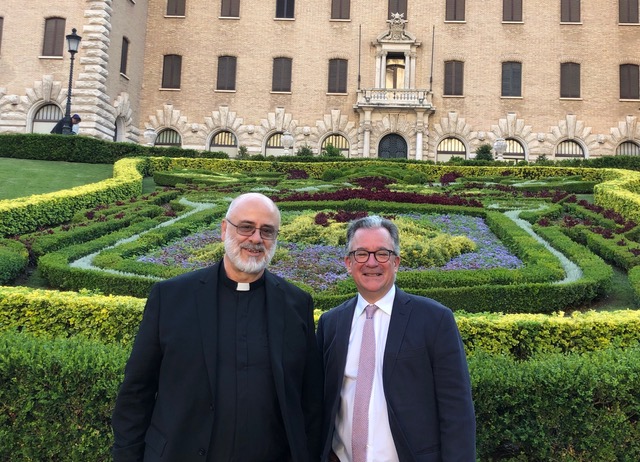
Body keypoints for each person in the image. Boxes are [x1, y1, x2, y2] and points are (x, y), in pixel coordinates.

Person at [111, 192, 323, 462]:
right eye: (246, 227)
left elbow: (311, 401)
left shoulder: (296, 304)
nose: (256, 239)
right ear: (224, 230)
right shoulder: (171, 297)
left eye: (267, 231)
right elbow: (136, 391)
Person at [316, 216, 476, 462]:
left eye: (382, 253)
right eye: (361, 254)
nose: (371, 262)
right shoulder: (331, 323)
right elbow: (321, 405)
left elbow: (457, 412)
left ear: (396, 262)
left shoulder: (435, 320)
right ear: (348, 263)